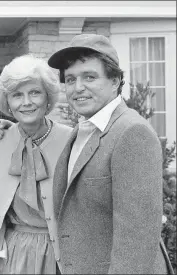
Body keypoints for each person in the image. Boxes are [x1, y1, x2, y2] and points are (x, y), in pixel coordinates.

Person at [47, 33, 174, 274]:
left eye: (89, 77)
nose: (77, 87)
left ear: (115, 81)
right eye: (70, 79)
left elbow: (136, 240)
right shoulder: (83, 129)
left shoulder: (132, 132)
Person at [0, 55, 72, 274]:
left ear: (48, 97)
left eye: (34, 92)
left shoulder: (71, 141)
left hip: (60, 254)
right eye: (17, 95)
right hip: (13, 252)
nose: (26, 102)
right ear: (7, 103)